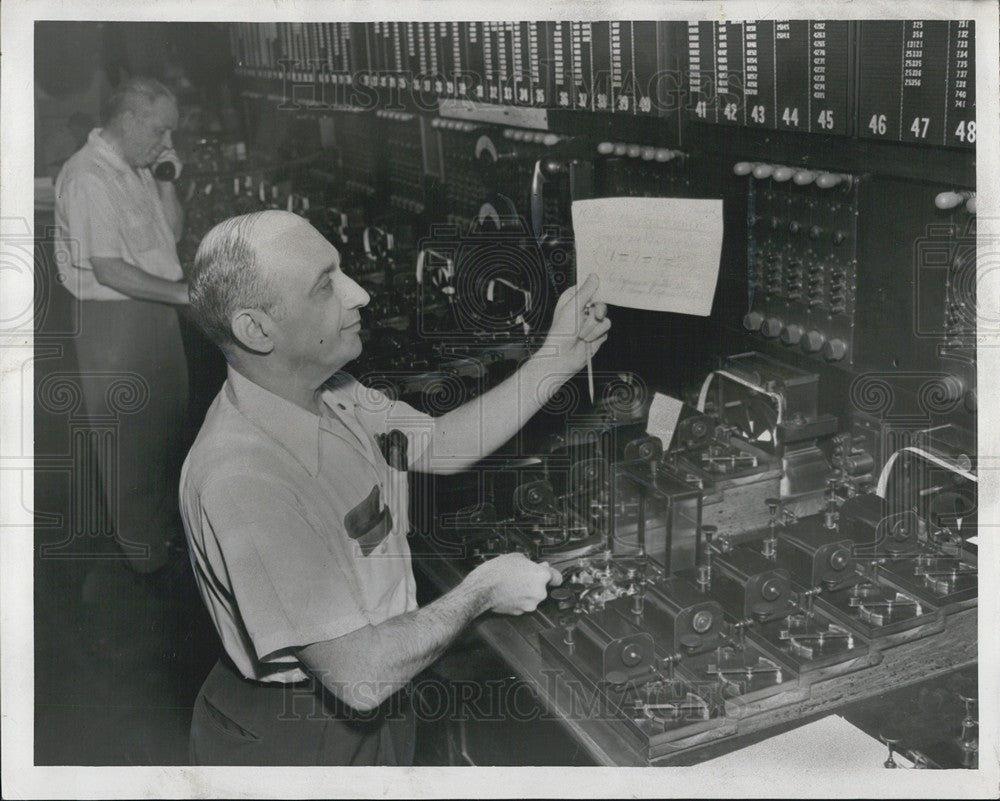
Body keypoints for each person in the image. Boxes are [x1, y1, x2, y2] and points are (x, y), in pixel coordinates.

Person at [180, 210, 611, 765]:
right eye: (325, 285)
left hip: (381, 685)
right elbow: (357, 675)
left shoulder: (331, 391)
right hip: (299, 730)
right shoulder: (243, 477)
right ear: (256, 329)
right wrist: (481, 592)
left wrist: (560, 356)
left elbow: (441, 444)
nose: (357, 294)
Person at [54, 76, 190, 577]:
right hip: (115, 321)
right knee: (131, 444)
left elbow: (170, 236)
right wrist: (183, 294)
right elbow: (108, 268)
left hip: (155, 308)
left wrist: (165, 177)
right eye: (161, 131)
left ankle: (168, 538)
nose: (167, 144)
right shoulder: (89, 176)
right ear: (129, 120)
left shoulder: (133, 167)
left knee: (168, 427)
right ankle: (146, 563)